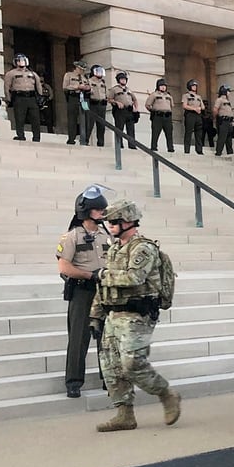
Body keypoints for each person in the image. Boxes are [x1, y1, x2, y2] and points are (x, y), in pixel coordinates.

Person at [89, 199, 182, 432]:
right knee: (111, 367)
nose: (109, 226)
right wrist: (95, 314)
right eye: (108, 222)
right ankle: (124, 414)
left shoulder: (143, 248)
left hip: (136, 315)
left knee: (131, 363)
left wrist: (101, 274)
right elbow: (104, 288)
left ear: (127, 222)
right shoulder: (115, 249)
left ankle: (165, 393)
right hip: (113, 315)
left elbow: (134, 278)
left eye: (113, 222)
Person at [57, 186, 112, 398]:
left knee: (106, 337)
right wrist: (91, 275)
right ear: (87, 211)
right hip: (82, 292)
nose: (102, 213)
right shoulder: (71, 237)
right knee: (79, 338)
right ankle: (73, 382)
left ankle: (108, 378)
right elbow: (64, 268)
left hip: (104, 292)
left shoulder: (105, 236)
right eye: (99, 210)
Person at [3, 53, 43, 142]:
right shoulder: (11, 73)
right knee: (19, 118)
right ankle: (20, 135)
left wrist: (40, 97)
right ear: (15, 62)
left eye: (22, 60)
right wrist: (8, 99)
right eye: (19, 60)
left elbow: (38, 85)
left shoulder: (32, 73)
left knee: (35, 118)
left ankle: (36, 137)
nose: (21, 62)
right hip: (19, 97)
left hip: (31, 97)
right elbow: (7, 86)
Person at [61, 60, 91, 145]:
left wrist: (87, 88)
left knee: (86, 118)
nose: (82, 71)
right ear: (77, 68)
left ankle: (85, 139)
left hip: (83, 98)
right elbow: (65, 87)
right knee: (72, 119)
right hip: (73, 97)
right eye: (81, 69)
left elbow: (89, 87)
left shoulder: (85, 77)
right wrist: (77, 87)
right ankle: (71, 139)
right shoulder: (69, 75)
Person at [108, 71, 138, 148]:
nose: (123, 80)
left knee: (131, 129)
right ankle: (119, 145)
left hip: (129, 111)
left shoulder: (129, 90)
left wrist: (136, 108)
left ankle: (132, 145)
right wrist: (116, 102)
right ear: (118, 80)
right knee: (119, 128)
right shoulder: (114, 89)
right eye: (121, 79)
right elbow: (109, 99)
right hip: (120, 111)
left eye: (124, 79)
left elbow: (135, 99)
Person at [145, 78, 174, 152]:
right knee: (155, 133)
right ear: (158, 86)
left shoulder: (169, 95)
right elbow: (147, 105)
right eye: (161, 86)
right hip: (158, 116)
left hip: (167, 116)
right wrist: (153, 111)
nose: (163, 87)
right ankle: (154, 147)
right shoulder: (154, 94)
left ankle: (170, 148)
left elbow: (172, 105)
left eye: (164, 86)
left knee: (169, 133)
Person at [85, 65, 108, 146]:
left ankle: (101, 143)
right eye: (98, 71)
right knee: (89, 124)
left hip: (101, 105)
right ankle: (85, 141)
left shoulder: (103, 82)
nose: (100, 73)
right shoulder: (89, 81)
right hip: (92, 104)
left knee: (101, 126)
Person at [181, 79, 205, 154]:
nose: (194, 87)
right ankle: (187, 150)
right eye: (193, 86)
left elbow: (203, 107)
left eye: (195, 86)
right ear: (189, 86)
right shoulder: (186, 95)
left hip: (198, 115)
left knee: (199, 133)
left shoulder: (199, 96)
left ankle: (199, 150)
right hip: (190, 115)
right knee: (188, 132)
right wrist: (194, 109)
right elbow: (184, 106)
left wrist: (199, 108)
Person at [213, 85, 234, 156]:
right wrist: (216, 118)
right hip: (223, 121)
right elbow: (215, 110)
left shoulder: (228, 101)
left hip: (229, 122)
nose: (229, 93)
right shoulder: (219, 100)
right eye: (228, 91)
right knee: (222, 138)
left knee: (229, 140)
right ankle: (218, 152)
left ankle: (230, 153)